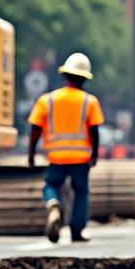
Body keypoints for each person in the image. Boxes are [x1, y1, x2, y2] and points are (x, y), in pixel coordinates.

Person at [27, 52, 103, 243]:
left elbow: (35, 129)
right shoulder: (89, 101)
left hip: (56, 157)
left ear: (64, 76)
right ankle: (76, 231)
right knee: (81, 192)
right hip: (81, 158)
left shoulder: (47, 100)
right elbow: (94, 131)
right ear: (85, 79)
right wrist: (94, 154)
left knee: (51, 185)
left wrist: (31, 154)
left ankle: (53, 204)